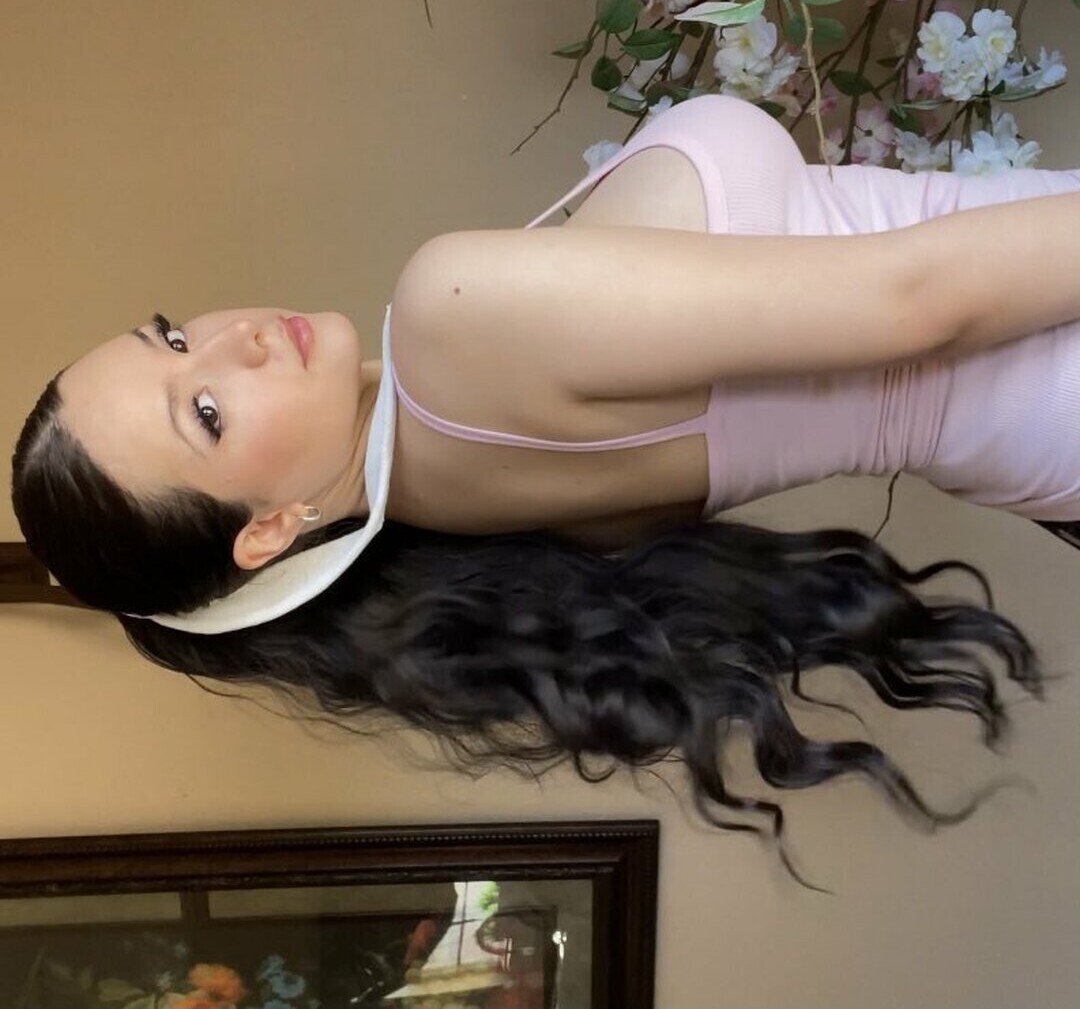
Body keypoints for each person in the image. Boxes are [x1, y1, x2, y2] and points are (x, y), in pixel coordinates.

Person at [10, 95, 1080, 882]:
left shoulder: (463, 513)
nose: (232, 340)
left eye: (173, 336)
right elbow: (916, 301)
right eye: (205, 412)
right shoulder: (451, 321)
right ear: (270, 531)